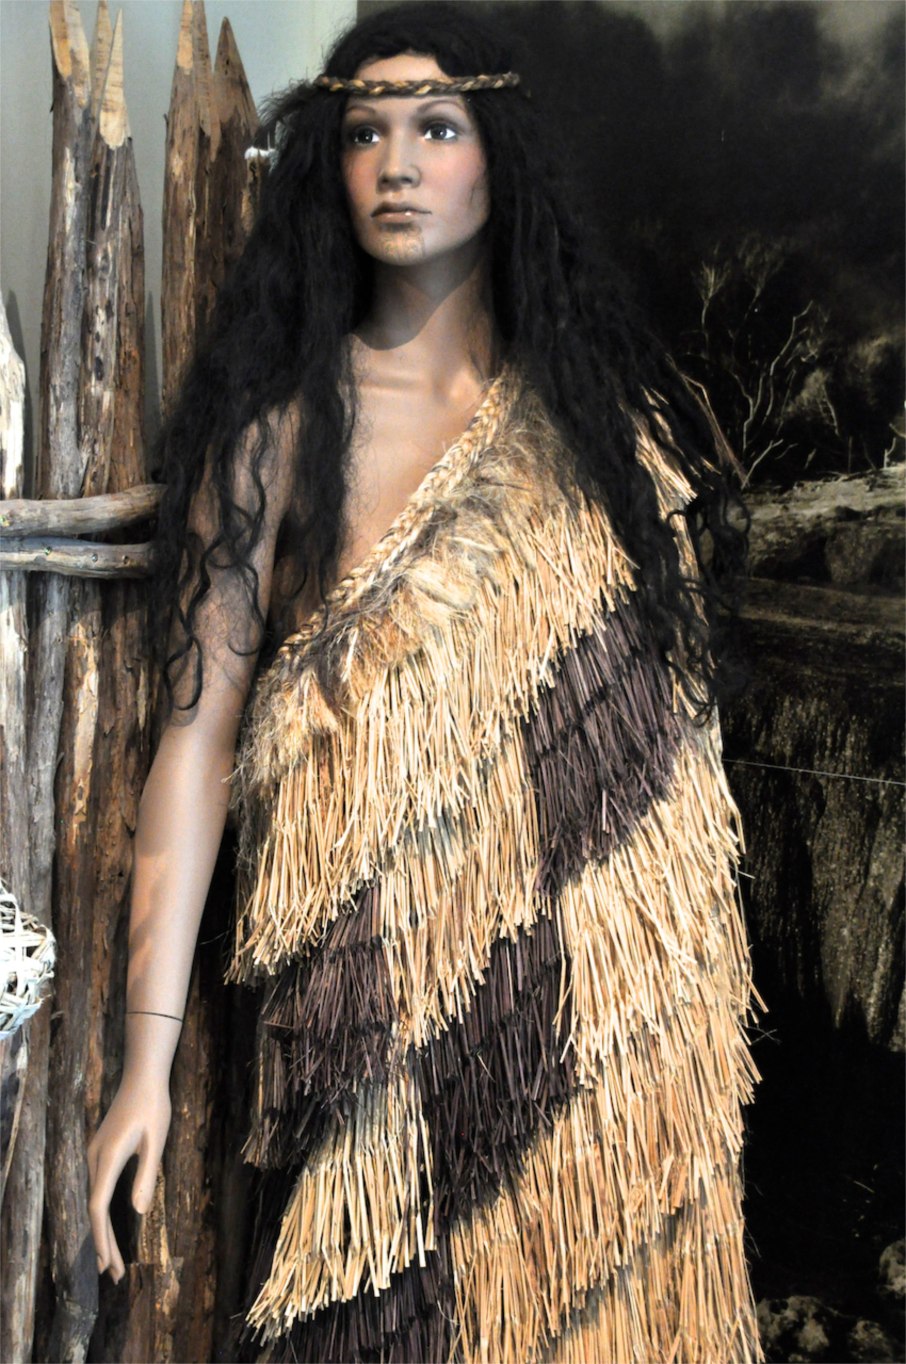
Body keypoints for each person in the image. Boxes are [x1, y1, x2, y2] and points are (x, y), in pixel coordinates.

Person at [87, 4, 763, 1360]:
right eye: (364, 133)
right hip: (382, 1021)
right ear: (327, 169)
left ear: (498, 155)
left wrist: (662, 994)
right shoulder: (276, 435)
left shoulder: (602, 436)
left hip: (606, 1033)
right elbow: (198, 740)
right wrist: (143, 1063)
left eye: (437, 128)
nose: (396, 165)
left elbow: (667, 761)